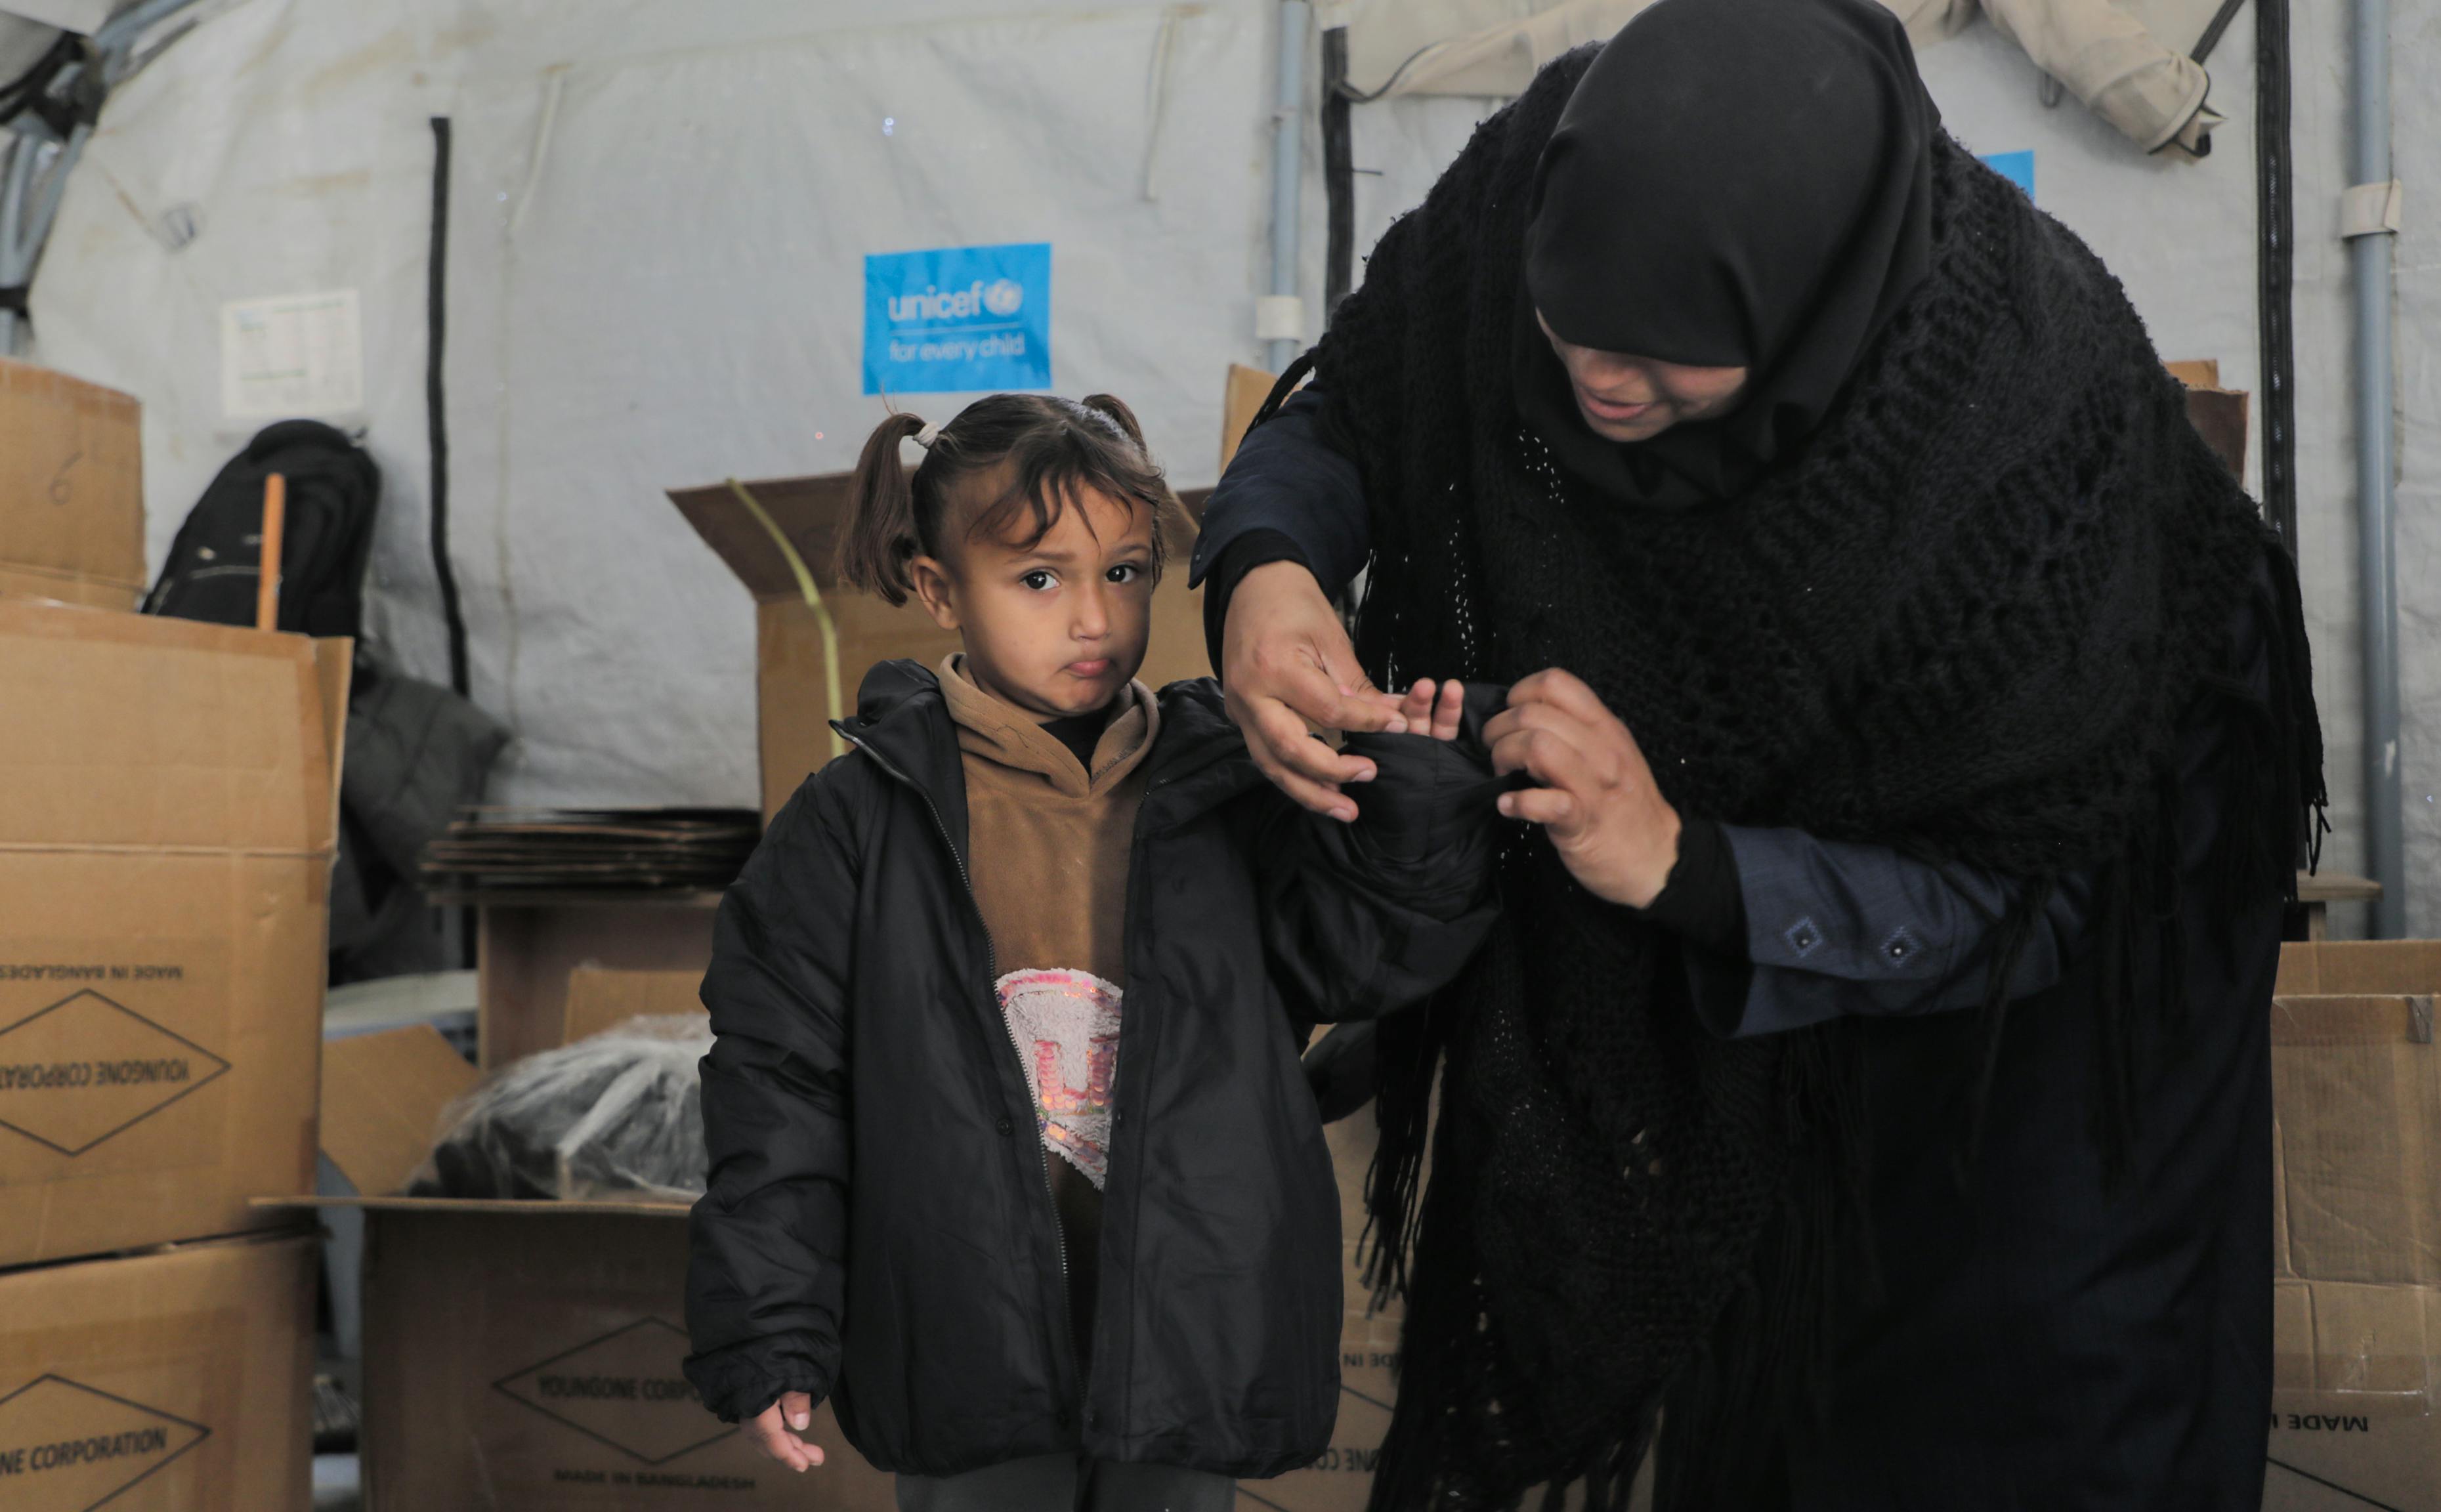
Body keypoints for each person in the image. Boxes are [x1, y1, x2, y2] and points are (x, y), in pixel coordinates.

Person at [1191, 2, 2324, 1509]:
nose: (1598, 394)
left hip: (2043, 1004)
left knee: (1995, 1393)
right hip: (1759, 947)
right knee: (1753, 1379)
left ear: (1807, 319)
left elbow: (2029, 904)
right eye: (1562, 338)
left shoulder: (2032, 462)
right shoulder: (1535, 181)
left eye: (1665, 370)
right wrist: (1268, 564)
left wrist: (1683, 860)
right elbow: (1364, 399)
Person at [680, 393, 1504, 1512]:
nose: (1094, 621)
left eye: (1124, 572)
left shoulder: (1231, 782)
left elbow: (1362, 961)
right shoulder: (856, 823)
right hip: (962, 1333)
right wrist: (773, 1331)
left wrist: (1411, 794)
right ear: (936, 590)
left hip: (1194, 1325)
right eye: (1039, 578)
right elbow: (778, 1088)